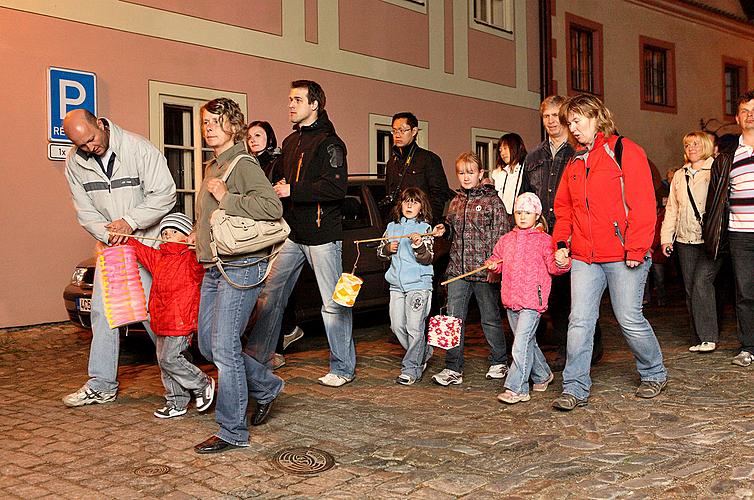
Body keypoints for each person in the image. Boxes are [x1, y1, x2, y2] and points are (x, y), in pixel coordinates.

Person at [551, 93, 667, 411]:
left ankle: (654, 372)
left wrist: (636, 247)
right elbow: (564, 210)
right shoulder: (574, 162)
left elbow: (644, 204)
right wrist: (561, 243)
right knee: (580, 321)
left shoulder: (624, 150)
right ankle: (574, 387)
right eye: (569, 122)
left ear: (596, 117)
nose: (573, 128)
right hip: (585, 256)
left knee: (629, 318)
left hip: (623, 253)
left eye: (578, 121)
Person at [61, 109, 176, 407]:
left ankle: (180, 381)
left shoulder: (139, 148)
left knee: (155, 315)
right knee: (103, 313)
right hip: (111, 247)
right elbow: (84, 209)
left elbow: (165, 193)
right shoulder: (75, 162)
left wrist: (130, 221)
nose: (89, 148)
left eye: (91, 139)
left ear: (100, 124)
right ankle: (101, 384)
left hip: (144, 245)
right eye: (81, 145)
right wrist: (107, 233)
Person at [248, 80, 355, 387]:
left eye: (297, 99)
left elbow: (336, 187)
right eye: (289, 99)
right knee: (270, 295)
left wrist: (292, 189)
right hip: (292, 236)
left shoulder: (331, 143)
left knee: (334, 304)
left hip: (323, 236)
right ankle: (257, 358)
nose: (290, 105)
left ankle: (343, 367)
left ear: (314, 105)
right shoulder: (291, 142)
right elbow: (282, 179)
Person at [192, 97, 284, 454]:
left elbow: (272, 207)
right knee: (207, 343)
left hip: (242, 265)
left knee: (226, 347)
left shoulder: (243, 163)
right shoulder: (211, 165)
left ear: (233, 124)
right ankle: (266, 386)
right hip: (215, 265)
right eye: (204, 122)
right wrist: (196, 235)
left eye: (215, 121)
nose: (209, 127)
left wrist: (228, 197)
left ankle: (232, 430)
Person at [522, 95, 603, 371]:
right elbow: (525, 195)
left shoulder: (579, 151)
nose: (552, 121)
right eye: (546, 116)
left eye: (557, 115)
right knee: (554, 296)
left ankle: (590, 347)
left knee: (579, 296)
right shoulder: (533, 157)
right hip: (544, 237)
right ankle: (564, 348)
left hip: (575, 233)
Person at [431, 152, 511, 386]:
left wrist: (497, 267)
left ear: (480, 174)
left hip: (484, 271)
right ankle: (452, 367)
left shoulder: (492, 201)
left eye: (470, 172)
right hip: (458, 270)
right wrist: (443, 229)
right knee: (453, 319)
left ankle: (499, 361)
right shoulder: (456, 201)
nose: (466, 177)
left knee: (490, 318)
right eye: (461, 173)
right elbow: (452, 228)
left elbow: (501, 235)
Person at [125, 212, 214, 418]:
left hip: (180, 320)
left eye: (174, 232)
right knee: (164, 363)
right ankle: (176, 402)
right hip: (161, 319)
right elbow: (140, 249)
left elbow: (207, 253)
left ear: (186, 235)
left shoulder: (192, 258)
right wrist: (124, 238)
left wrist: (198, 239)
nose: (167, 236)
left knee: (170, 359)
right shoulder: (159, 258)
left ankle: (203, 383)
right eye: (164, 232)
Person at [486, 193, 570, 404]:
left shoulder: (544, 241)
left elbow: (554, 266)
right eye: (519, 212)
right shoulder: (506, 240)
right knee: (527, 342)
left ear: (537, 215)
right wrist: (494, 265)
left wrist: (562, 262)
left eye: (528, 212)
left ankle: (517, 388)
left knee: (520, 343)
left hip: (533, 300)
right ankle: (542, 374)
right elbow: (498, 260)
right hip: (511, 298)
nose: (522, 216)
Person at [704, 89, 754, 367]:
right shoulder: (727, 157)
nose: (750, 116)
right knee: (745, 292)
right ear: (737, 117)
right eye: (745, 111)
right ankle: (748, 346)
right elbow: (716, 199)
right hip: (740, 235)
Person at [660, 132, 721, 352]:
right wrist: (666, 239)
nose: (691, 147)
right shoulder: (679, 175)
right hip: (686, 239)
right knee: (689, 288)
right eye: (687, 144)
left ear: (705, 146)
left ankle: (708, 336)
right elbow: (672, 210)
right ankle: (697, 336)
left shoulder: (716, 170)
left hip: (710, 239)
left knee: (701, 282)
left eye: (696, 143)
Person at [377, 187, 435, 385]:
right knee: (397, 326)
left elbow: (428, 258)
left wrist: (419, 246)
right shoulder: (392, 227)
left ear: (421, 207)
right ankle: (424, 352)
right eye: (406, 201)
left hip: (419, 285)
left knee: (414, 328)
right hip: (396, 285)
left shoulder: (425, 228)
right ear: (400, 205)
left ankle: (411, 368)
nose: (410, 205)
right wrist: (387, 248)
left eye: (415, 202)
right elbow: (379, 252)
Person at [384, 112, 452, 225]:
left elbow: (439, 195)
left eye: (402, 130)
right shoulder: (391, 163)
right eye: (394, 131)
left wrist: (427, 223)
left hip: (421, 226)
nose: (397, 135)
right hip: (397, 226)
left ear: (414, 131)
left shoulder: (429, 159)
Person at [490, 133, 527, 215]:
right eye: (500, 150)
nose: (502, 153)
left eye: (505, 148)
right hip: (502, 218)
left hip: (520, 217)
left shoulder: (526, 169)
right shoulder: (500, 173)